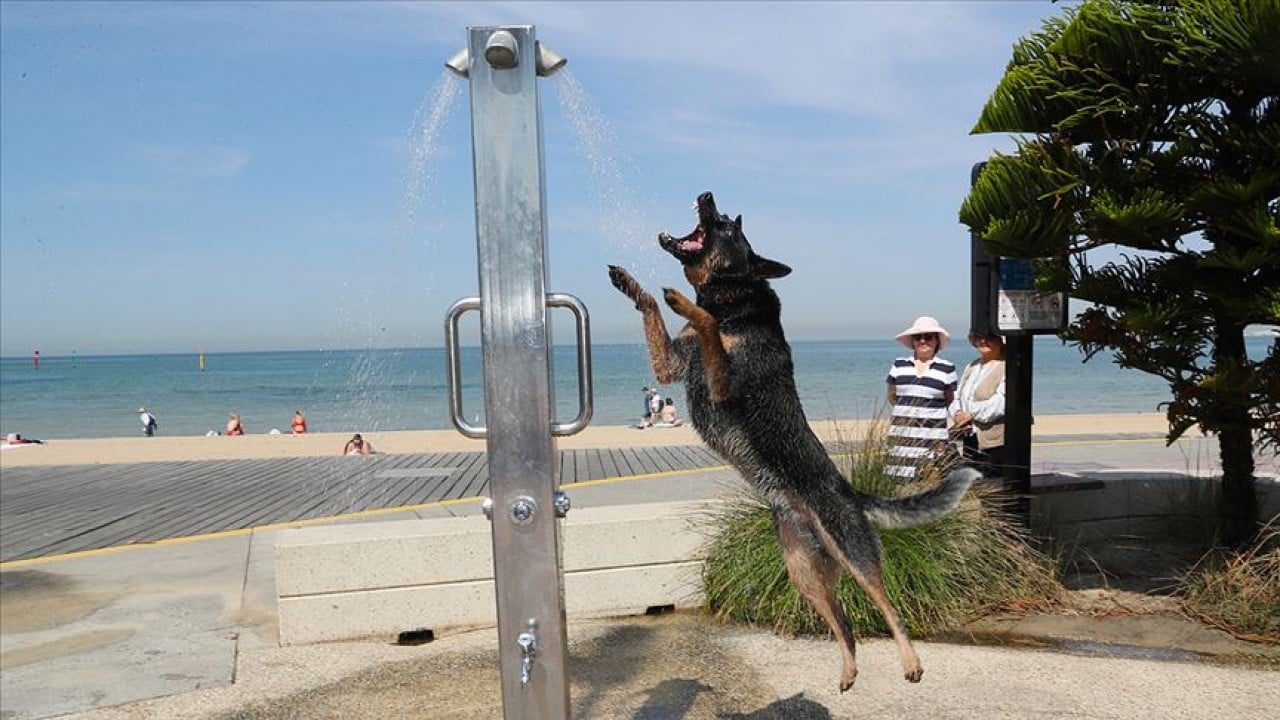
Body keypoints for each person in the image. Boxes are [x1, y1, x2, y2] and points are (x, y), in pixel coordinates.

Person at [885, 316, 958, 480]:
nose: (923, 341)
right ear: (912, 341)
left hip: (933, 438)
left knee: (930, 485)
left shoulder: (947, 368)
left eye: (928, 337)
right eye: (918, 337)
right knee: (898, 483)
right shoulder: (899, 364)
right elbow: (892, 395)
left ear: (937, 341)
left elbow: (950, 399)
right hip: (901, 436)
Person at [950, 329, 1007, 478]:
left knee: (994, 485)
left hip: (996, 442)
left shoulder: (1007, 366)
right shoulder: (972, 366)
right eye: (979, 336)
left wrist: (971, 413)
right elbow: (958, 394)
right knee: (973, 485)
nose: (983, 341)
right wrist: (957, 413)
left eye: (990, 337)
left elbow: (1000, 404)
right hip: (971, 439)